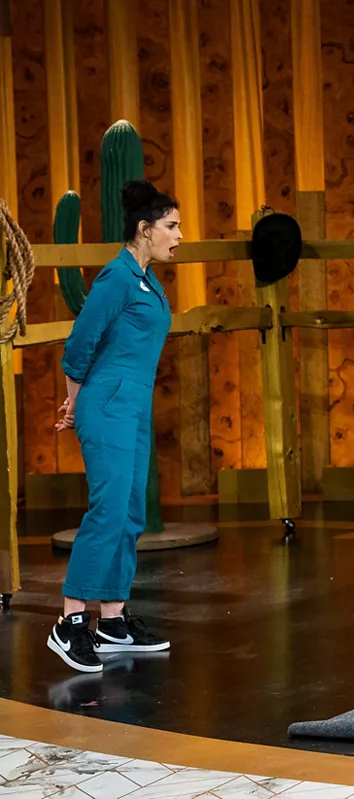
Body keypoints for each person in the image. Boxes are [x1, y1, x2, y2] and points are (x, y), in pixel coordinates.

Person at [48, 181, 181, 673]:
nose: (179, 235)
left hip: (132, 407)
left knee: (129, 513)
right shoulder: (116, 279)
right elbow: (80, 345)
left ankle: (111, 621)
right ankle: (70, 622)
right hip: (107, 404)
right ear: (144, 230)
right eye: (171, 226)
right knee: (107, 511)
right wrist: (74, 402)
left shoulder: (146, 280)